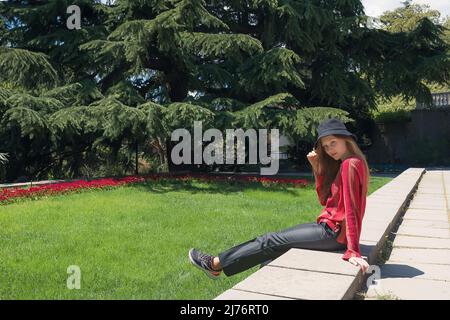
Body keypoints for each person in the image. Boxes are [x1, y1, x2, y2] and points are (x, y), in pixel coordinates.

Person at [188, 118, 370, 279]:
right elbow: (325, 200)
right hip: (328, 229)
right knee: (273, 248)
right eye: (326, 146)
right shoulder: (353, 162)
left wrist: (353, 250)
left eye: (333, 142)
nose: (330, 149)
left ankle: (215, 264)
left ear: (346, 140)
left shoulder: (350, 165)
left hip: (333, 233)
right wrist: (316, 167)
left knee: (269, 240)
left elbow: (352, 209)